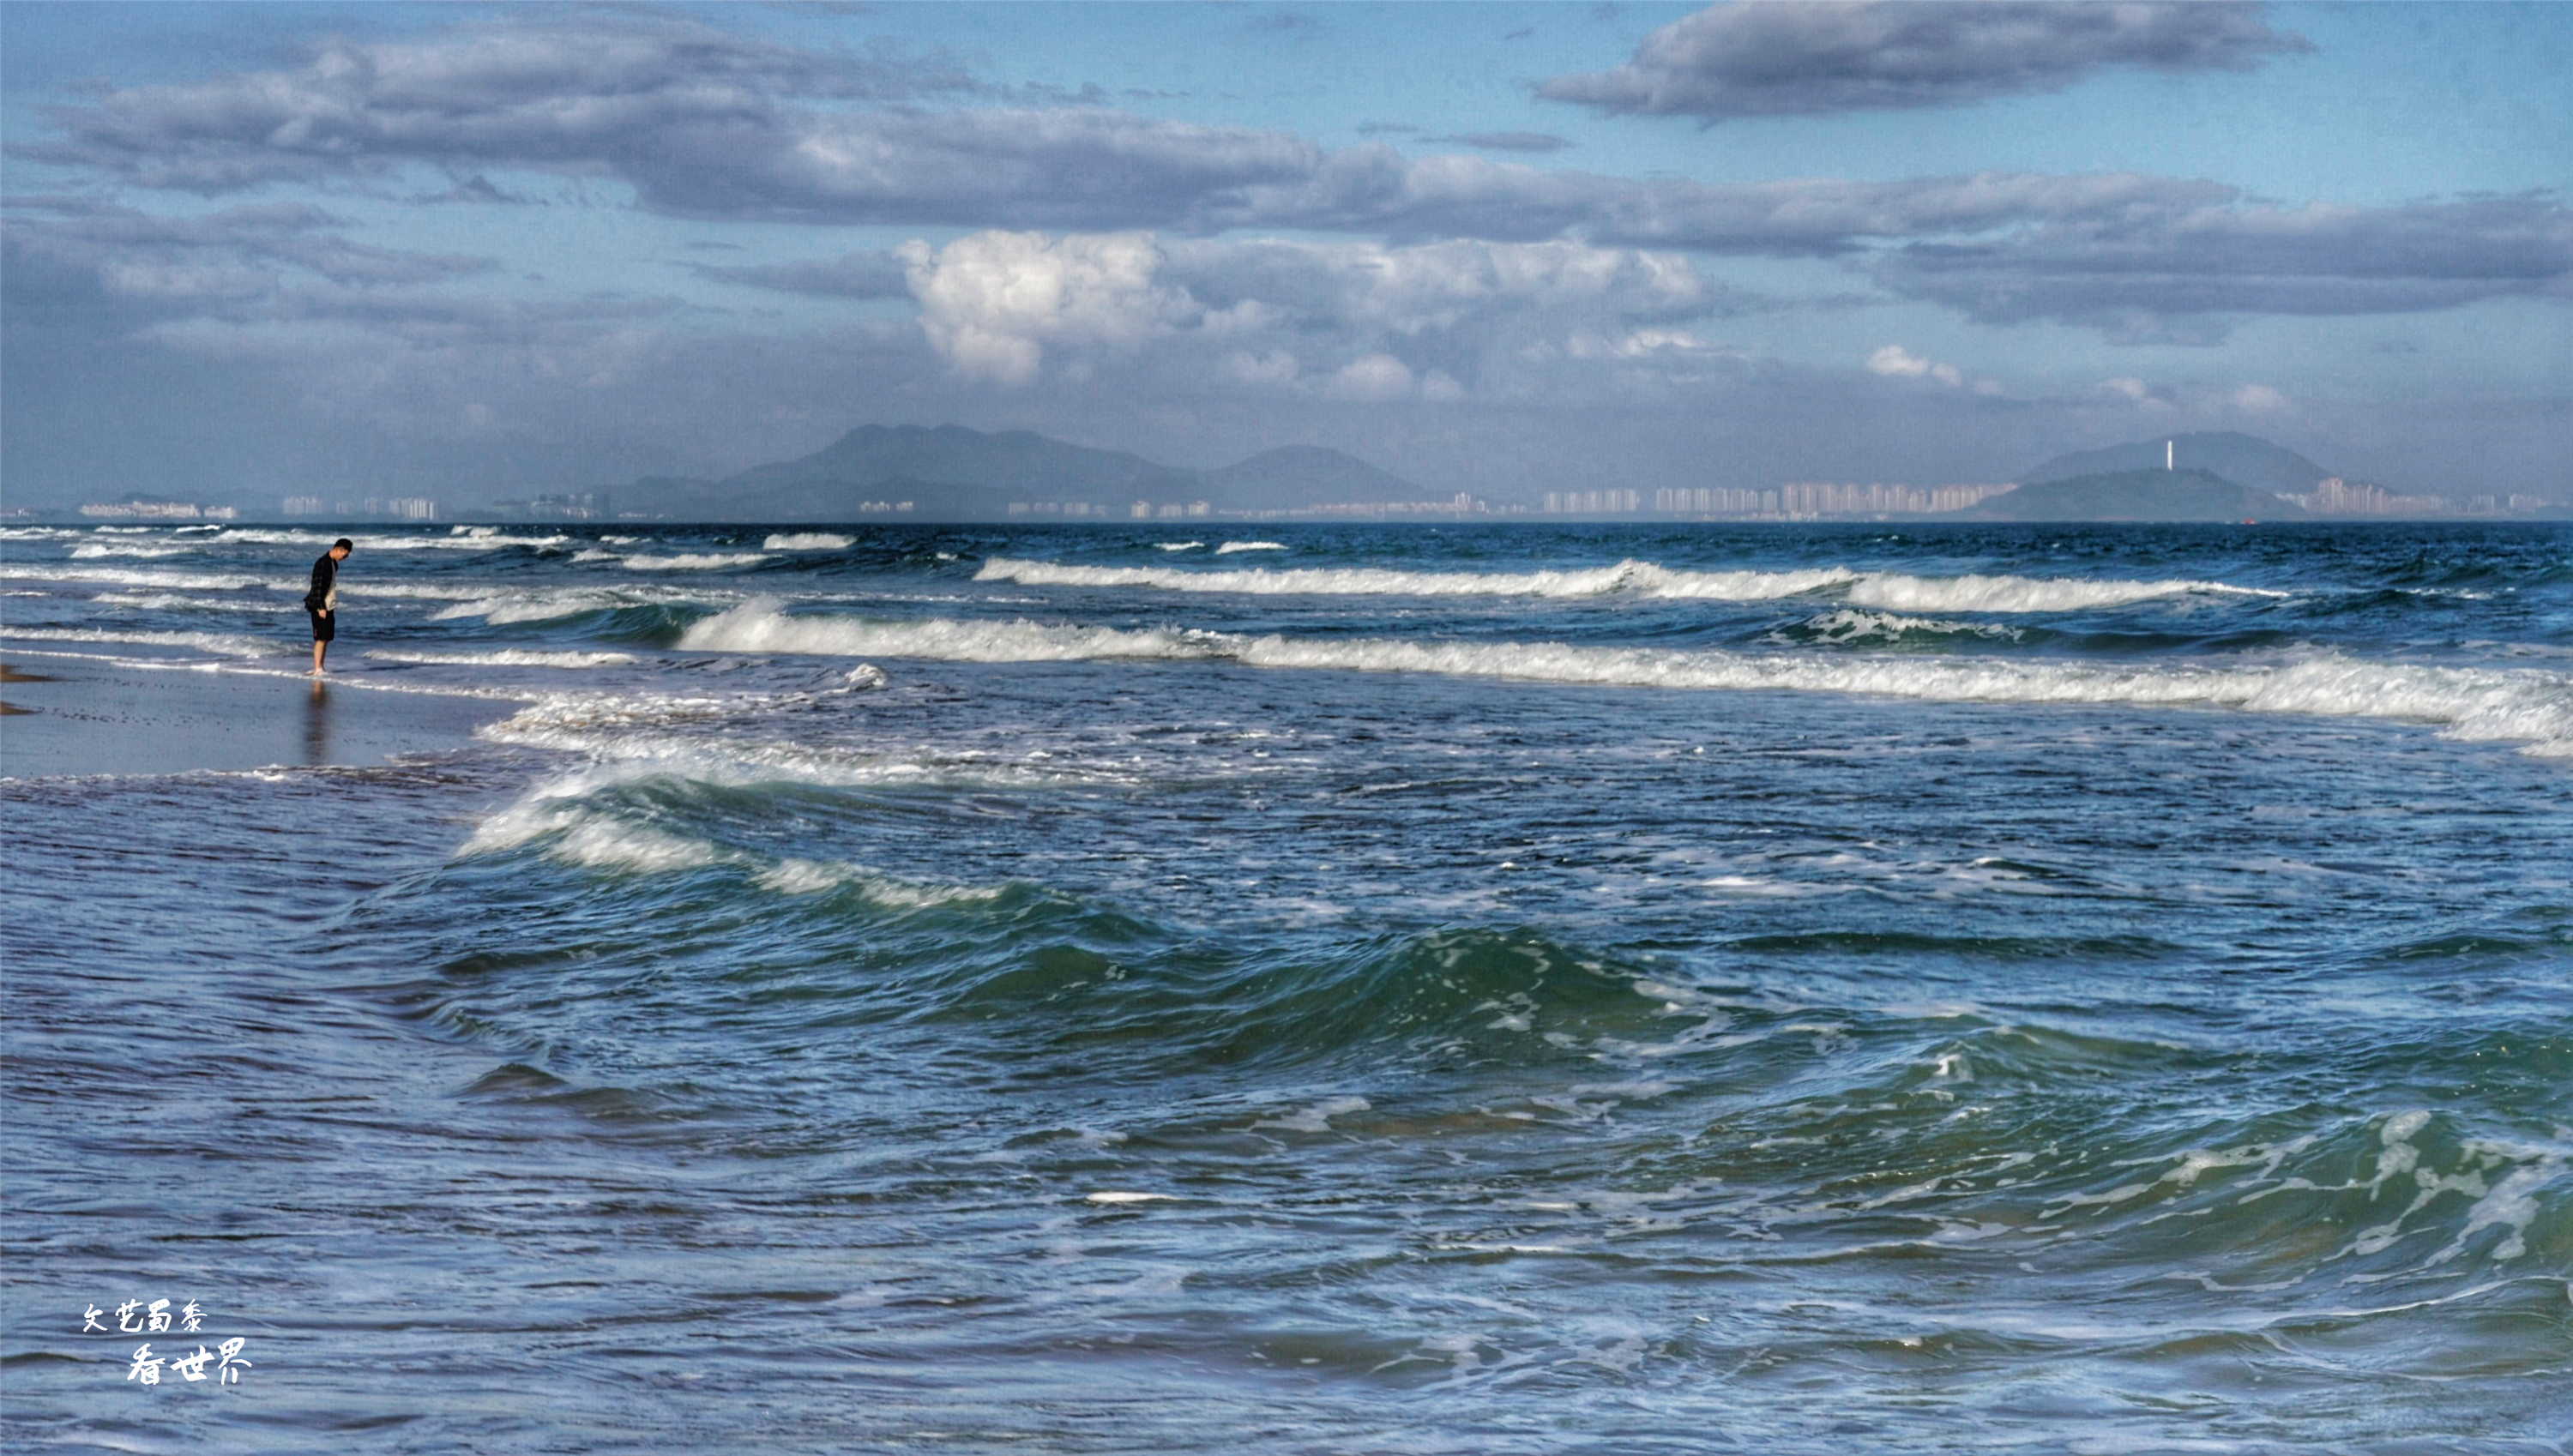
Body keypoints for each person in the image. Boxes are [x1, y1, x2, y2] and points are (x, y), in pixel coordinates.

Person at [304, 538, 352, 673]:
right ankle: (317, 668)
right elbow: (317, 587)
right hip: (320, 606)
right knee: (320, 638)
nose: (345, 558)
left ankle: (321, 667)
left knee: (326, 638)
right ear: (337, 549)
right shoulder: (322, 564)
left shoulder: (333, 564)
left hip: (329, 605)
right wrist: (321, 607)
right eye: (345, 555)